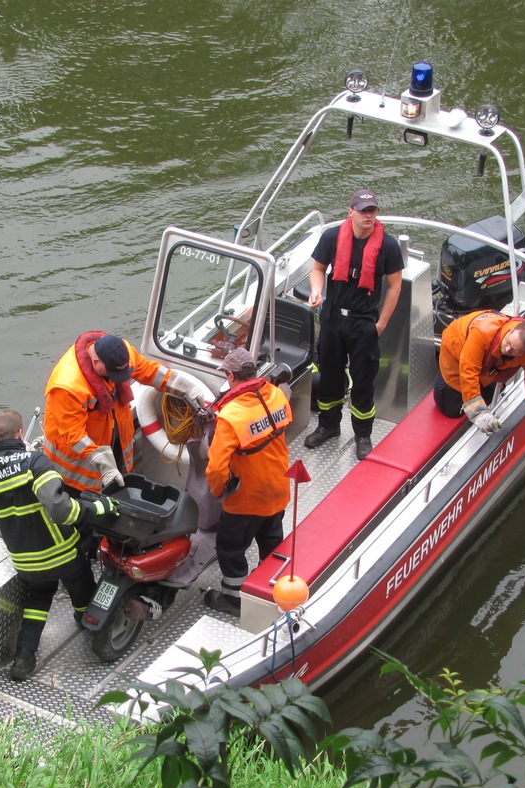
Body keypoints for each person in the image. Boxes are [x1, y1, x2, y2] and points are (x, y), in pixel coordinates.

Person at [0, 409, 120, 681]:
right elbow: (61, 510)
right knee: (82, 587)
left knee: (37, 599)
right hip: (63, 554)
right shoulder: (35, 463)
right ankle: (88, 624)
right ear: (19, 432)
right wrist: (96, 508)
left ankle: (24, 658)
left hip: (26, 563)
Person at [303, 188, 404, 461]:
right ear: (351, 212)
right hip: (333, 317)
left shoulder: (389, 246)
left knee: (363, 382)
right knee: (329, 376)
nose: (368, 216)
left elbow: (395, 286)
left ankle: (362, 434)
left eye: (372, 211)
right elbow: (317, 269)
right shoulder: (332, 237)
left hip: (364, 322)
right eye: (363, 211)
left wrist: (380, 324)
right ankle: (328, 426)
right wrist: (316, 291)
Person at [42, 331, 207, 494]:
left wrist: (186, 388)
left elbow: (148, 370)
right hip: (76, 472)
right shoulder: (67, 387)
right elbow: (73, 435)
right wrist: (105, 466)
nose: (118, 379)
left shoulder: (123, 354)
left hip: (111, 442)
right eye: (113, 374)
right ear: (96, 362)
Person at [202, 348, 293, 616]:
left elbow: (216, 467)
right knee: (271, 538)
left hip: (247, 500)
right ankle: (270, 585)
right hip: (279, 488)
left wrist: (220, 491)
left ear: (230, 376)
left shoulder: (230, 417)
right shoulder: (276, 395)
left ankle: (232, 597)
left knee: (230, 548)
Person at [434, 310, 525, 443]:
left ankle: (489, 385)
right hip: (457, 356)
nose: (507, 350)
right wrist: (479, 414)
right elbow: (468, 371)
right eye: (508, 342)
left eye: (514, 350)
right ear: (511, 330)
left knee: (487, 397)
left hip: (488, 368)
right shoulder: (482, 332)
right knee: (451, 409)